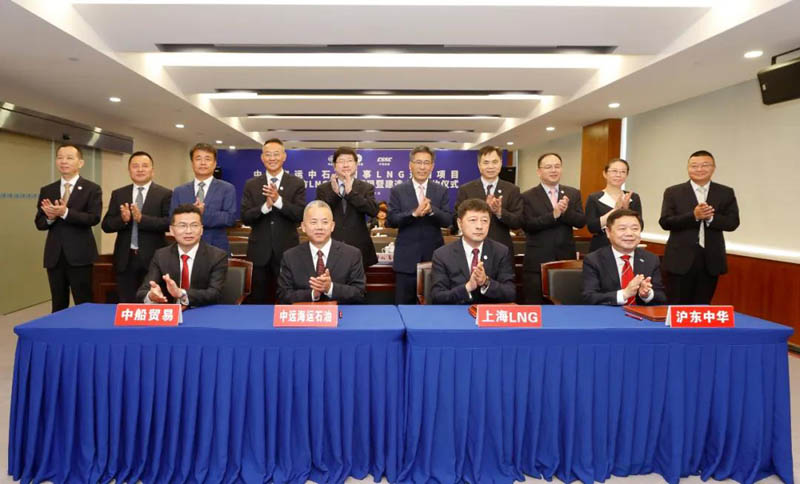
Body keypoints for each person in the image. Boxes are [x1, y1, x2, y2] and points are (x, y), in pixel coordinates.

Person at [659, 150, 739, 304]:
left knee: (702, 306)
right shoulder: (673, 192)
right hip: (680, 260)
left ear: (713, 168)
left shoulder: (725, 192)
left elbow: (732, 223)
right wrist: (694, 216)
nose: (700, 169)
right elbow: (665, 222)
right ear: (688, 168)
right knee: (677, 307)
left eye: (705, 165)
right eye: (694, 166)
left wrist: (710, 218)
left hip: (711, 260)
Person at [34, 144, 102, 312]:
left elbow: (93, 218)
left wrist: (65, 213)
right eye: (60, 157)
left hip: (81, 256)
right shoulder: (47, 190)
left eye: (69, 158)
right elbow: (39, 223)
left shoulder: (92, 189)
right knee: (58, 304)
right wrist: (50, 218)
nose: (63, 161)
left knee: (84, 303)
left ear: (80, 163)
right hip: (54, 256)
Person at [240, 138, 306, 303]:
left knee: (287, 298)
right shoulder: (251, 184)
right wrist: (265, 207)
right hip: (258, 253)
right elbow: (245, 217)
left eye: (276, 154)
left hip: (287, 251)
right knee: (258, 299)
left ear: (284, 156)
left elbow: (299, 215)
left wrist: (278, 201)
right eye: (268, 154)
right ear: (262, 158)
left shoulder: (296, 183)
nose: (272, 158)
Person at [101, 151, 172, 302]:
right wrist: (123, 219)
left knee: (152, 303)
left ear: (152, 170)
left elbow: (168, 223)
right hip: (125, 259)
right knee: (127, 302)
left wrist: (142, 219)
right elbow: (106, 225)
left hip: (153, 258)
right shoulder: (119, 194)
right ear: (129, 170)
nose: (140, 169)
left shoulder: (165, 194)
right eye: (135, 166)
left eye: (145, 166)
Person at [387, 146, 452, 304]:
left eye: (426, 163)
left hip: (434, 258)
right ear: (410, 165)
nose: (422, 167)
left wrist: (432, 210)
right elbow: (392, 220)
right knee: (403, 306)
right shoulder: (398, 190)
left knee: (433, 306)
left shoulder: (441, 190)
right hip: (406, 260)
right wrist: (414, 214)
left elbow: (448, 220)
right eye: (418, 162)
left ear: (432, 166)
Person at [520, 153, 586, 304]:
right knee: (536, 306)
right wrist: (553, 215)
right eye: (548, 167)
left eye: (557, 166)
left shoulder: (573, 193)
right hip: (537, 261)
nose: (553, 170)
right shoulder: (527, 196)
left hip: (565, 260)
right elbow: (528, 225)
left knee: (566, 305)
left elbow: (581, 222)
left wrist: (565, 212)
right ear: (539, 171)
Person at [136, 204, 228, 307]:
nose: (188, 231)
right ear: (171, 230)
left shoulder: (217, 256)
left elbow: (215, 293)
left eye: (194, 225)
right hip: (171, 313)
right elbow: (142, 292)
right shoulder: (161, 255)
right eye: (182, 225)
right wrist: (151, 295)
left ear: (201, 230)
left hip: (203, 310)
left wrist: (182, 294)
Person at [277, 200, 366, 304]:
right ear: (303, 227)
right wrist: (312, 294)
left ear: (332, 226)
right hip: (306, 314)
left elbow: (360, 293)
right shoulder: (290, 257)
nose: (319, 227)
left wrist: (330, 288)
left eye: (325, 222)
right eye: (313, 222)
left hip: (342, 313)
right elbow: (283, 295)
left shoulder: (352, 254)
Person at [431, 198, 516, 304]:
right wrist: (467, 287)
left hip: (487, 313)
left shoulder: (501, 252)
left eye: (484, 221)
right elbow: (437, 297)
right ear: (460, 223)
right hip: (456, 311)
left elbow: (510, 293)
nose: (479, 226)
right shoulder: (442, 255)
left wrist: (486, 282)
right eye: (473, 220)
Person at [582, 209, 666, 306]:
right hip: (607, 313)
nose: (629, 233)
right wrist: (624, 294)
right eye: (622, 229)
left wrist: (647, 294)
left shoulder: (651, 259)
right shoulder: (594, 260)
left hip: (639, 314)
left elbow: (661, 297)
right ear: (608, 232)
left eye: (635, 229)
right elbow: (589, 297)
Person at [316, 146, 379, 268]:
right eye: (341, 161)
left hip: (359, 248)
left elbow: (373, 211)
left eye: (350, 161)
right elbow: (319, 213)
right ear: (334, 166)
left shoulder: (366, 187)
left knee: (358, 281)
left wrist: (351, 193)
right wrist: (335, 194)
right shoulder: (323, 189)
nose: (345, 165)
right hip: (330, 246)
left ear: (356, 165)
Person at [453, 146, 522, 255]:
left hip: (501, 249)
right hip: (471, 248)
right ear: (479, 165)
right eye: (486, 162)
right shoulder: (466, 189)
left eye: (495, 162)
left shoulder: (512, 190)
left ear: (501, 163)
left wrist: (499, 212)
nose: (490, 166)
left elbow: (518, 222)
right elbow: (457, 218)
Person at [170, 143, 236, 252]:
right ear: (192, 163)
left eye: (207, 159)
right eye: (198, 159)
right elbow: (172, 219)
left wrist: (203, 213)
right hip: (185, 248)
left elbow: (230, 218)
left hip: (216, 248)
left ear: (214, 164)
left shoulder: (227, 188)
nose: (203, 163)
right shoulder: (179, 191)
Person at [584, 158, 642, 253]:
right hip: (601, 246)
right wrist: (616, 210)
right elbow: (592, 227)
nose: (618, 175)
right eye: (614, 171)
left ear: (627, 175)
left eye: (623, 172)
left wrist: (626, 209)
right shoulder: (594, 198)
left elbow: (640, 225)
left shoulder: (633, 197)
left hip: (627, 246)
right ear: (605, 174)